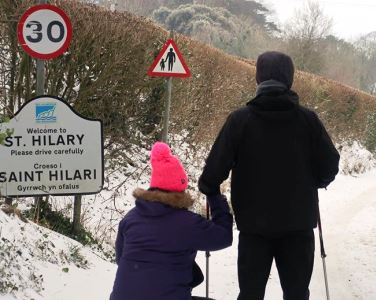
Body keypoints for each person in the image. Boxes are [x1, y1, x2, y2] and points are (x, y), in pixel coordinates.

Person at [198, 51, 340, 300]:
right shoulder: (308, 121)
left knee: (250, 294)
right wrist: (315, 182)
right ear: (290, 79)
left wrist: (212, 192)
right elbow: (330, 164)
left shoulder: (239, 121)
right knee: (296, 294)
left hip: (254, 230)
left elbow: (211, 175)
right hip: (299, 227)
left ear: (258, 78)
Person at [111, 142, 232, 300]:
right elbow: (223, 237)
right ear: (180, 190)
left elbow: (121, 258)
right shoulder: (187, 223)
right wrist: (214, 197)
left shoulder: (130, 218)